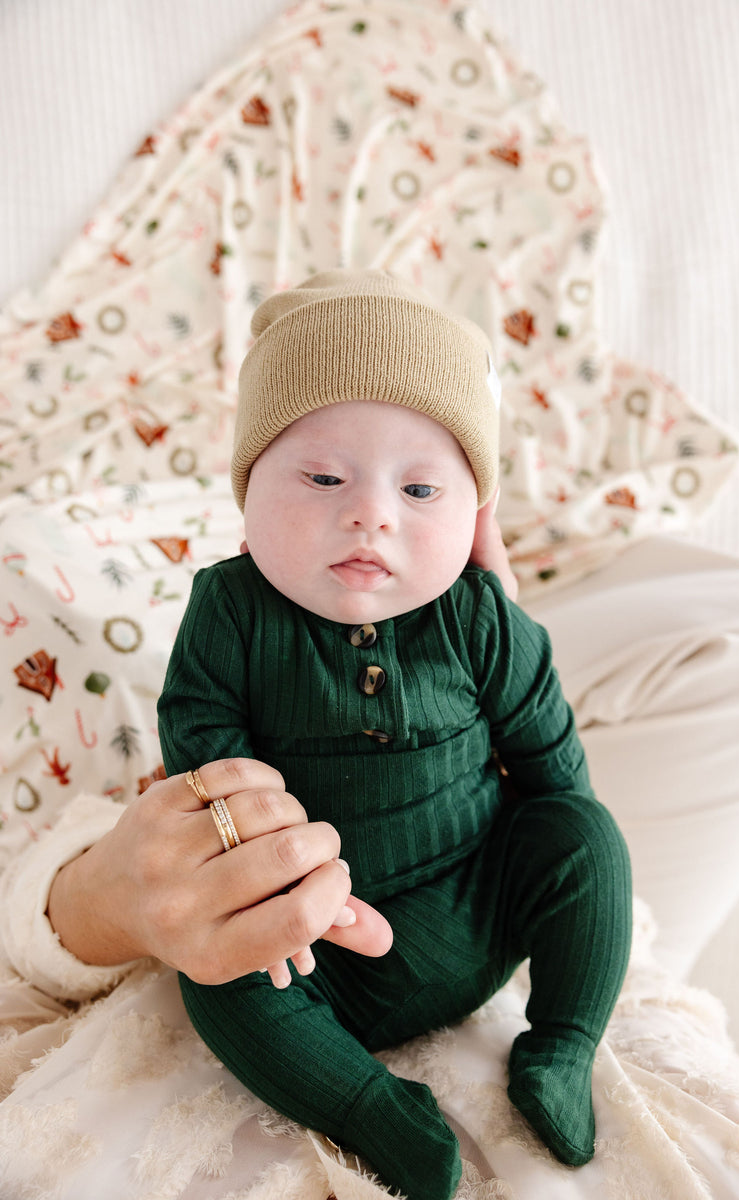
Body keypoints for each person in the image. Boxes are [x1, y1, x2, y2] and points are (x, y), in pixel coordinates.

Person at [156, 269, 633, 1200]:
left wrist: (568, 863)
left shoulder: (479, 617)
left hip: (479, 903)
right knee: (213, 977)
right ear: (248, 495)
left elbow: (552, 769)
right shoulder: (232, 608)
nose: (370, 511)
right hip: (317, 946)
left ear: (473, 517)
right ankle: (372, 1105)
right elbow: (205, 752)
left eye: (421, 489)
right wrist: (279, 875)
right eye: (324, 477)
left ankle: (563, 1049)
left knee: (588, 836)